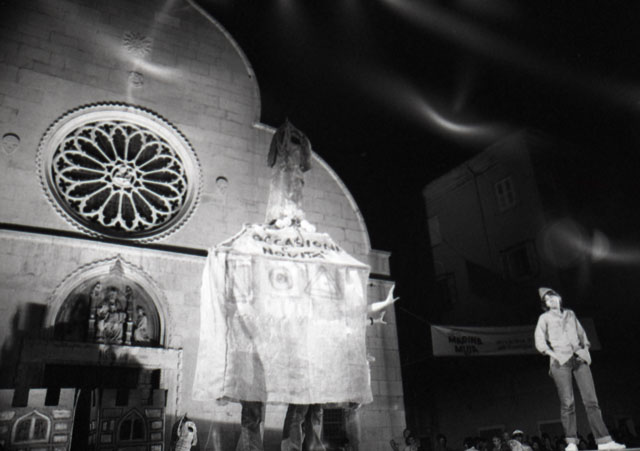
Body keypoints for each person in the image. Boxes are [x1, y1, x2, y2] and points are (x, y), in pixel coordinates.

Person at [534, 287, 625, 451]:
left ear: (559, 298)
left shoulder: (570, 314)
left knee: (591, 401)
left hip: (578, 358)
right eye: (547, 300)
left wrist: (584, 352)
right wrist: (554, 355)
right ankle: (571, 443)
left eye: (553, 297)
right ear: (545, 304)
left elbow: (583, 335)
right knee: (567, 403)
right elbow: (539, 342)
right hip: (560, 362)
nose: (551, 300)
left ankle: (604, 441)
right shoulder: (544, 318)